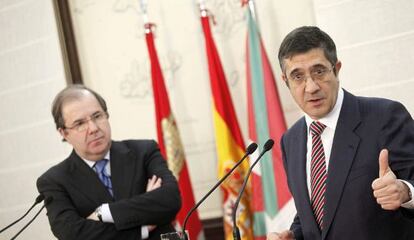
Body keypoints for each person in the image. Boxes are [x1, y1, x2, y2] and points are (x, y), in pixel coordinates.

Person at [267, 26, 414, 240]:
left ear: (336, 69)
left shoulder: (385, 117)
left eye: (319, 71)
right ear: (285, 81)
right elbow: (315, 215)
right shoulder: (291, 140)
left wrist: (405, 191)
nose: (311, 87)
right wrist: (293, 236)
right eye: (297, 76)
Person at [37, 85, 181, 240]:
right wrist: (142, 227)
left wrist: (103, 213)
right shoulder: (55, 181)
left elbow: (170, 199)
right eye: (80, 124)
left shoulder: (144, 151)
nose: (93, 128)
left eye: (97, 116)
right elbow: (72, 233)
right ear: (64, 133)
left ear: (106, 115)